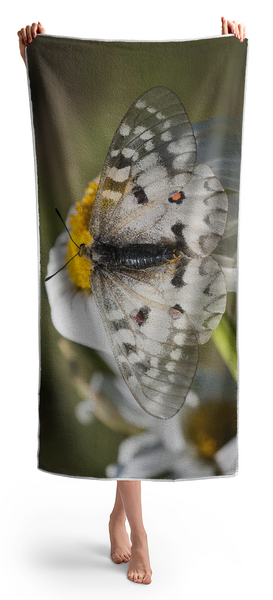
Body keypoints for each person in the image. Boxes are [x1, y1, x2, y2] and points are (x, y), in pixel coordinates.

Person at [17, 17, 246, 585]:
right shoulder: (79, 285)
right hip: (140, 282)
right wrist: (39, 70)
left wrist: (230, 57)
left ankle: (123, 520)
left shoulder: (94, 237)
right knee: (144, 410)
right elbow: (62, 133)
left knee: (144, 414)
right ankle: (135, 532)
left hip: (161, 259)